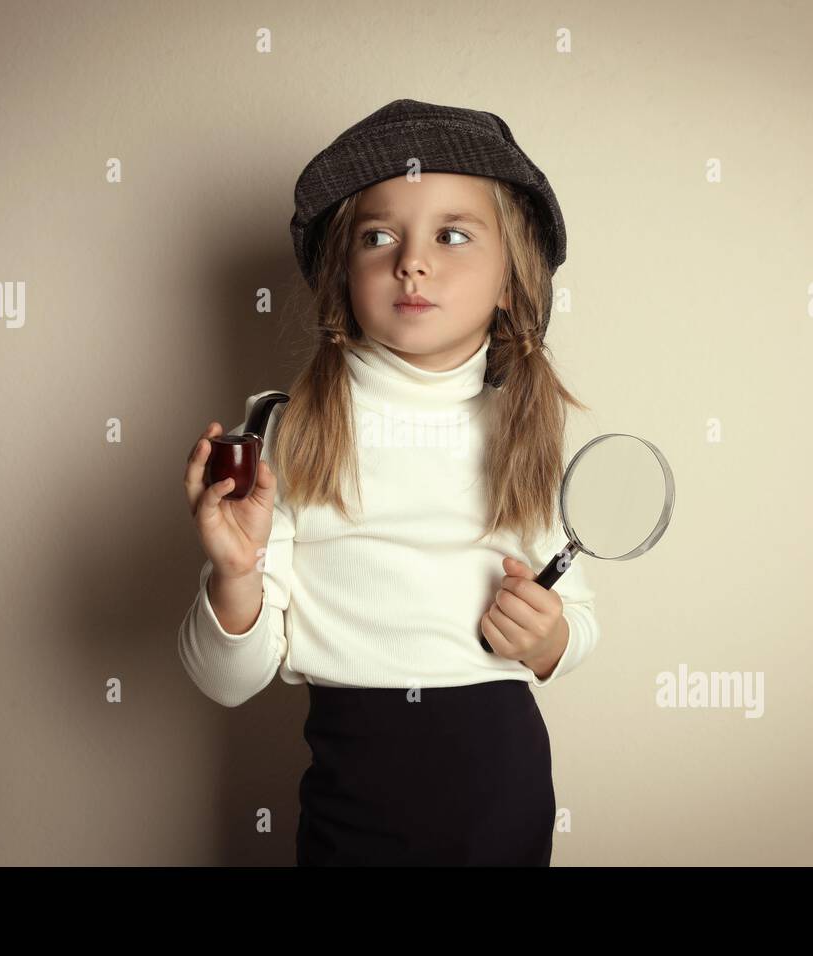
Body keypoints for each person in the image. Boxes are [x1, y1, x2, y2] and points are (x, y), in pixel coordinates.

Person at [179, 99, 600, 866]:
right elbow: (226, 682)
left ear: (511, 278)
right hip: (351, 796)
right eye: (379, 236)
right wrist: (234, 576)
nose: (413, 260)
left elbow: (577, 625)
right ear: (342, 275)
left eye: (453, 234)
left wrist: (550, 638)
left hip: (501, 791)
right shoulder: (287, 430)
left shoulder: (523, 431)